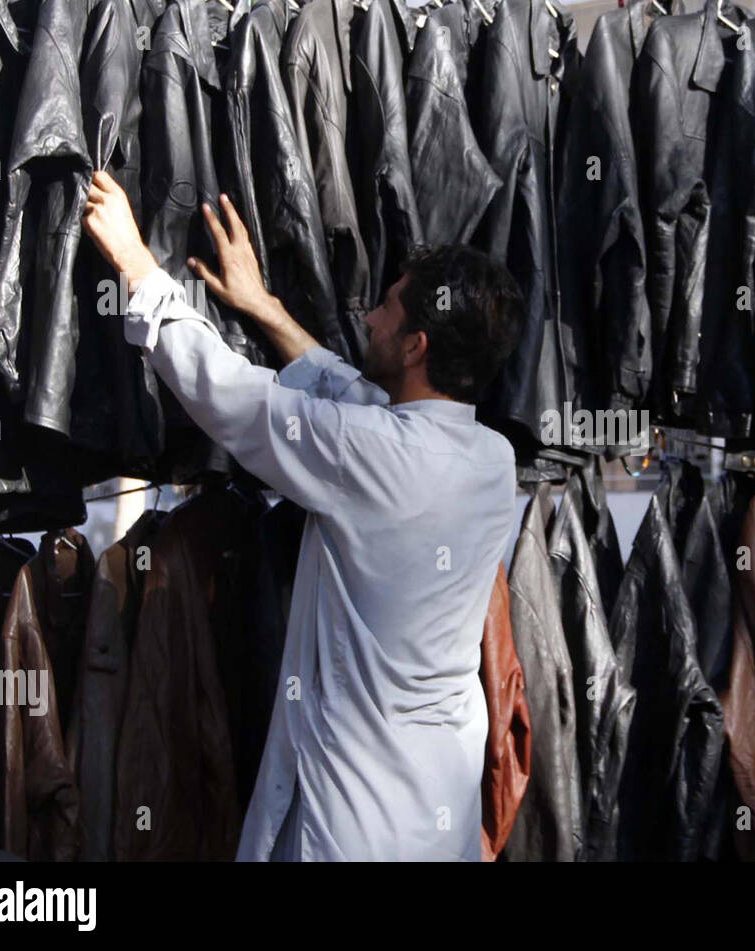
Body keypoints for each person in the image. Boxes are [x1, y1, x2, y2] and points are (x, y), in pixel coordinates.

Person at [82, 170, 524, 861]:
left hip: (351, 820)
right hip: (440, 807)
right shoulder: (493, 462)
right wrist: (263, 307)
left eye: (387, 308)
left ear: (417, 347)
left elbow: (234, 398)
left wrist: (137, 265)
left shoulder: (368, 453)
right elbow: (358, 401)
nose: (369, 318)